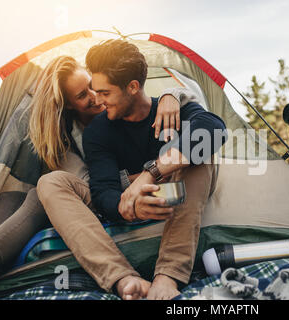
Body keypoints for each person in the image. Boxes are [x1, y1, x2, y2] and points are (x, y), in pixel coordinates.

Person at [0, 55, 195, 296]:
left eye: (91, 86)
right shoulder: (70, 140)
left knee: (195, 159)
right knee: (37, 193)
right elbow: (94, 187)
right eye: (82, 95)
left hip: (150, 183)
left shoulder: (130, 106)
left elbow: (204, 123)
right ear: (69, 105)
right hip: (102, 196)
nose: (95, 97)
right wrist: (141, 179)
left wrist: (173, 94)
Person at [37, 39, 227, 300]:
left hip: (173, 191)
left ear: (133, 87)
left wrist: (151, 173)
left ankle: (168, 276)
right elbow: (104, 190)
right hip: (131, 199)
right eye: (94, 92)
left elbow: (214, 129)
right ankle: (124, 279)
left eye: (105, 93)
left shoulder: (169, 109)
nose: (98, 101)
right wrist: (127, 206)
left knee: (198, 156)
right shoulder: (98, 131)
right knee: (50, 182)